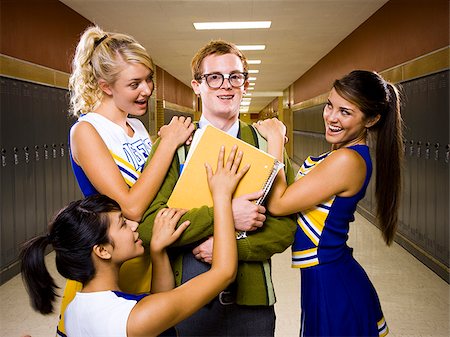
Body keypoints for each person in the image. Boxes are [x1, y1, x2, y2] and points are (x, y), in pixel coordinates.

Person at [139, 40, 297, 336]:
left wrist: (229, 247)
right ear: (197, 86)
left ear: (245, 84)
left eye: (235, 77)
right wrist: (226, 214)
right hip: (187, 304)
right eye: (214, 77)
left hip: (252, 307)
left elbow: (286, 227)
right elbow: (148, 227)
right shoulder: (174, 144)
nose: (226, 86)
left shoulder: (267, 145)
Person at [20, 145, 249, 337]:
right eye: (122, 223)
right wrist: (222, 196)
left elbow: (158, 305)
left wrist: (158, 252)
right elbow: (224, 272)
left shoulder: (75, 310)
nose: (133, 225)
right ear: (102, 250)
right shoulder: (133, 318)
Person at [59, 26, 194, 336]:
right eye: (134, 83)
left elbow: (159, 187)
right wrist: (168, 146)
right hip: (114, 262)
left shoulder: (137, 127)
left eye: (149, 79)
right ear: (106, 86)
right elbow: (130, 206)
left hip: (149, 251)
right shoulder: (87, 130)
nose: (146, 90)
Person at [254, 70, 403, 337]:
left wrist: (275, 140)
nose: (332, 117)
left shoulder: (347, 160)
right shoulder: (337, 155)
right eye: (330, 105)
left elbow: (278, 203)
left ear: (371, 119)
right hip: (322, 275)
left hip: (332, 280)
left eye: (346, 112)